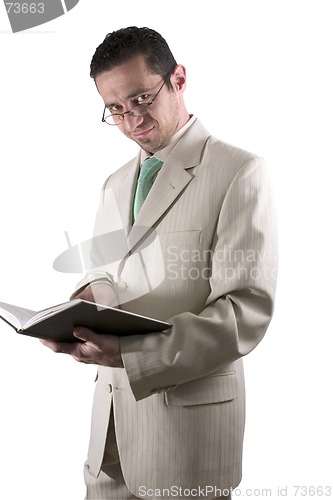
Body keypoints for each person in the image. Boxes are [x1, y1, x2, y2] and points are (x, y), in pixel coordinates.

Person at [41, 26, 278, 500]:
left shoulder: (238, 171)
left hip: (185, 437)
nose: (132, 119)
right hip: (108, 437)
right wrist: (86, 304)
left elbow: (245, 313)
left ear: (179, 79)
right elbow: (108, 271)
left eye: (142, 98)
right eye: (115, 109)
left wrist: (133, 356)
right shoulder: (115, 182)